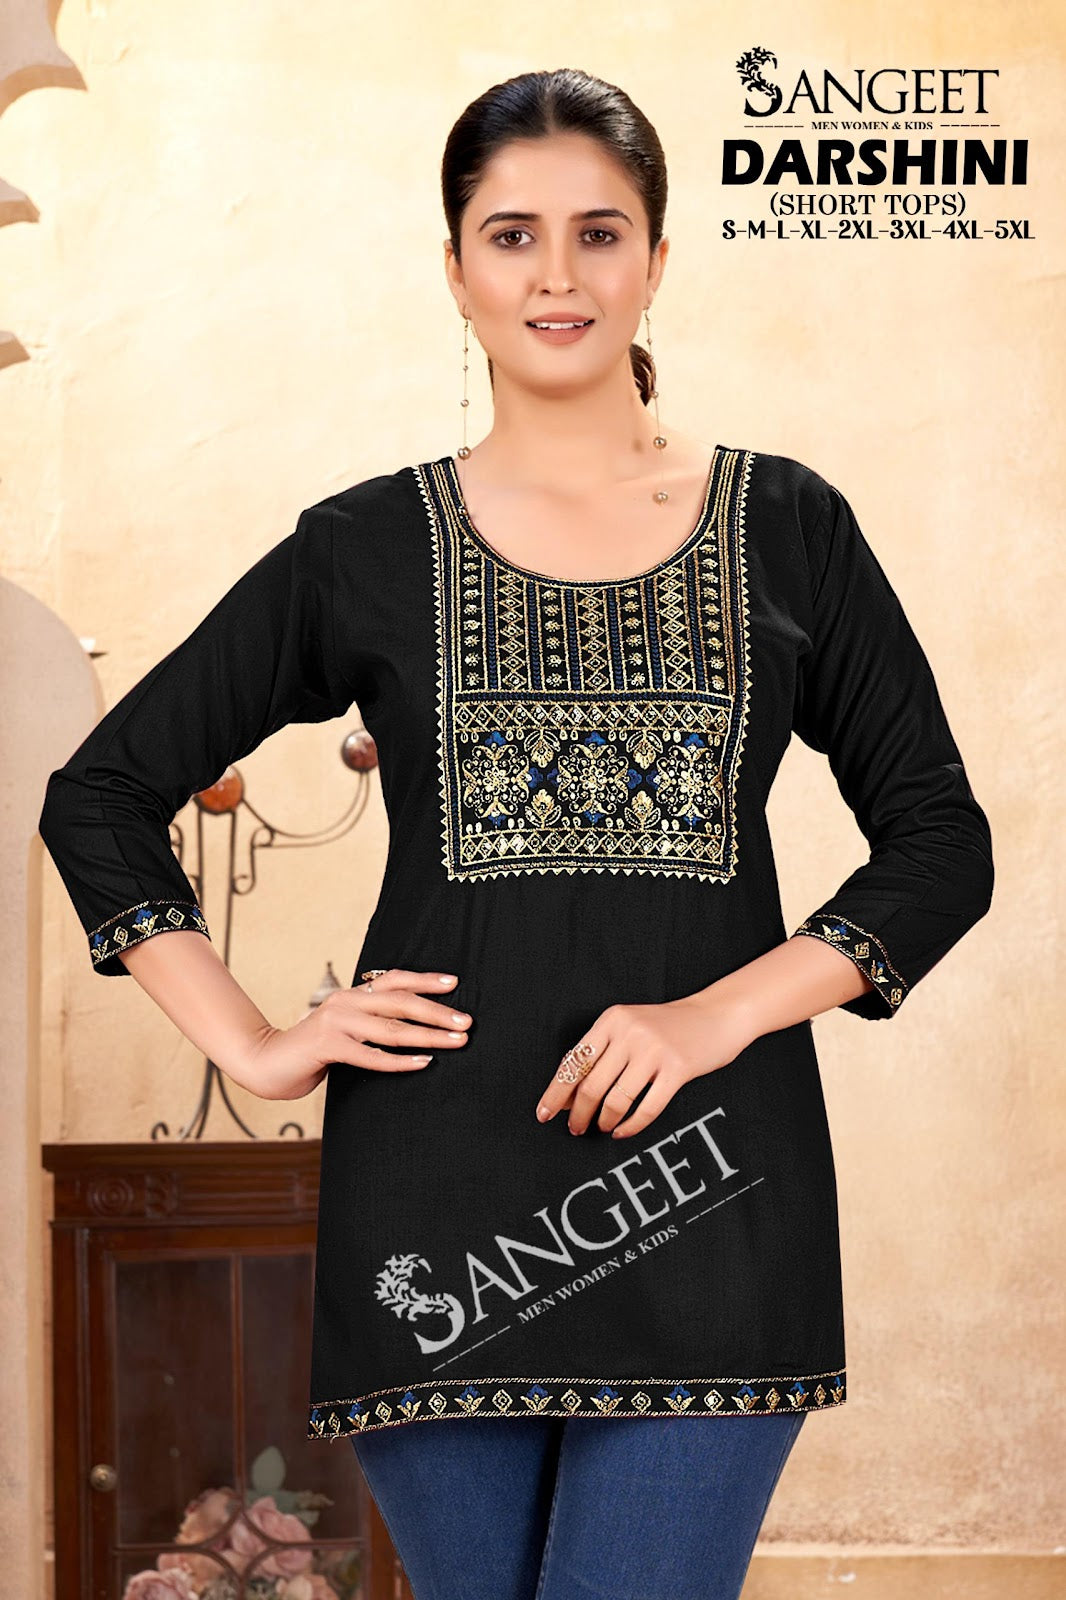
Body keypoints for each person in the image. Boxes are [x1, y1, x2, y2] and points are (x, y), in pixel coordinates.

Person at [38, 67, 994, 1600]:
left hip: (708, 1195)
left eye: (598, 233)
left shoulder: (787, 526)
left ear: (656, 261)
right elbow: (98, 795)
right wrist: (254, 1043)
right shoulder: (362, 548)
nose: (557, 276)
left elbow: (939, 842)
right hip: (434, 1206)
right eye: (511, 235)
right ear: (455, 271)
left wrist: (713, 1016)